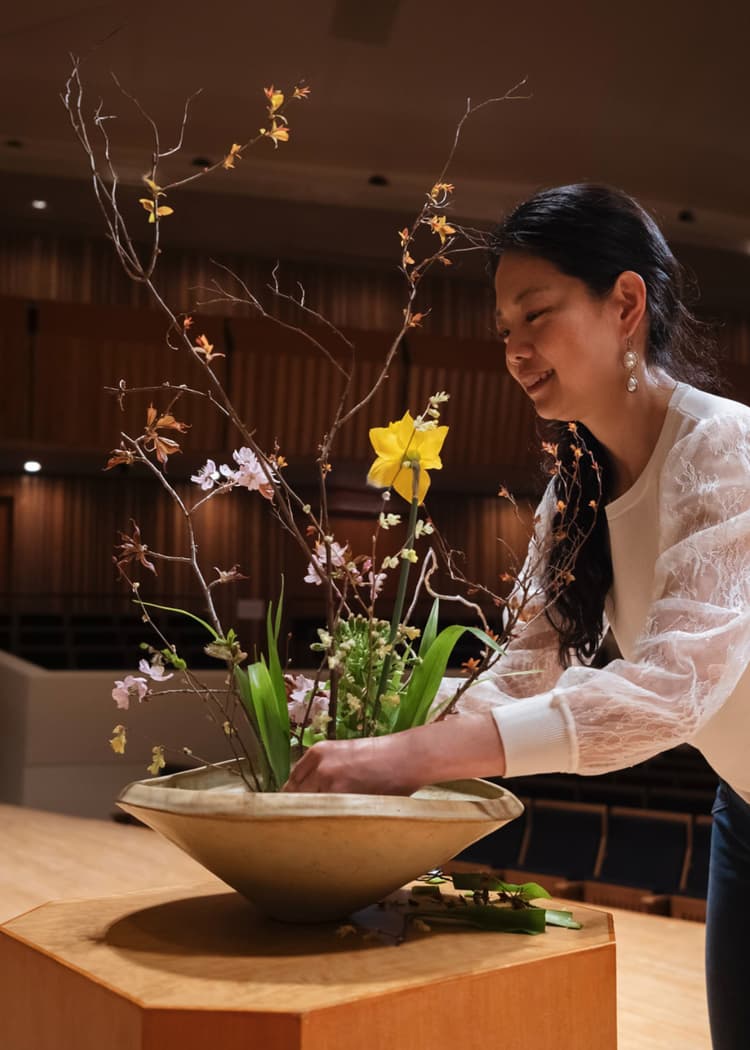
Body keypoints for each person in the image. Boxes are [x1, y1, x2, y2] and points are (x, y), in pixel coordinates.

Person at [284, 184, 750, 1050]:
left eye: (536, 314)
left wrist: (413, 755)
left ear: (625, 304)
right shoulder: (573, 487)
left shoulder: (726, 450)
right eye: (504, 329)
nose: (515, 349)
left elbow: (670, 692)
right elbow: (519, 672)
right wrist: (380, 744)